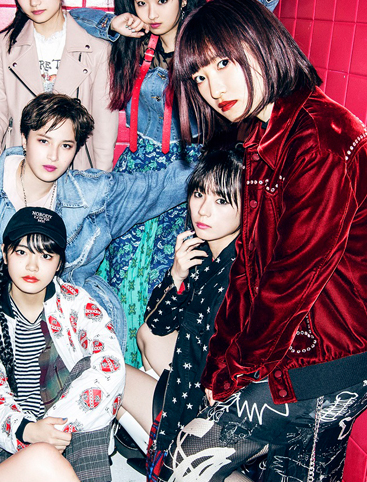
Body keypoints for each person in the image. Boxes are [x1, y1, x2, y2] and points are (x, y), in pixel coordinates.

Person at [157, 0, 367, 481]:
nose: (213, 88)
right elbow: (250, 264)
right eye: (199, 77)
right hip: (301, 342)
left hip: (337, 351)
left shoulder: (322, 139)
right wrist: (220, 362)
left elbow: (289, 279)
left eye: (224, 63)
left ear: (260, 43)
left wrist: (233, 372)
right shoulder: (262, 136)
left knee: (191, 456)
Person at [70, 0, 318, 367]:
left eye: (162, 1)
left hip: (185, 174)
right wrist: (115, 22)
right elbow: (73, 17)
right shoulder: (135, 44)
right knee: (119, 269)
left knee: (163, 274)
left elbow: (238, 29)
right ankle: (112, 366)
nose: (151, 13)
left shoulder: (200, 49)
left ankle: (146, 370)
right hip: (136, 171)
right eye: (141, 2)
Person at [0, 92, 195, 350]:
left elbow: (158, 187)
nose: (53, 156)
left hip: (70, 327)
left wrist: (224, 162)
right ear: (24, 139)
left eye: (66, 145)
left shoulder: (92, 196)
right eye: (43, 141)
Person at [110, 137, 246, 481]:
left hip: (215, 408)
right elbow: (155, 324)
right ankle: (153, 441)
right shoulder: (203, 252)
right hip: (193, 380)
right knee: (143, 338)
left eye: (221, 200)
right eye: (199, 194)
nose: (203, 210)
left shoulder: (239, 271)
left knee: (111, 376)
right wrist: (176, 275)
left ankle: (167, 454)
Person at [0, 207, 123, 482]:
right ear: (4, 253)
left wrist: (52, 428)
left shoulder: (76, 303)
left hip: (67, 429)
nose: (32, 266)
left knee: (91, 367)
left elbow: (111, 366)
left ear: (59, 263)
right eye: (22, 252)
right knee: (42, 459)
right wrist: (29, 430)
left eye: (46, 255)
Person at [0, 0, 119, 172]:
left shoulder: (97, 50)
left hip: (74, 170)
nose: (34, 1)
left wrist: (101, 178)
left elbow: (104, 127)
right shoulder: (3, 47)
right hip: (20, 168)